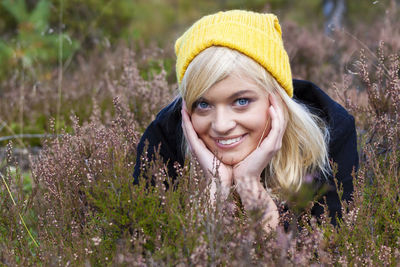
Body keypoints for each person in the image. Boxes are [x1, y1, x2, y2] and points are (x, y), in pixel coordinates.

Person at [133, 10, 358, 230]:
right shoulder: (164, 140)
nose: (221, 125)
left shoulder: (330, 136)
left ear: (276, 100)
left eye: (241, 101)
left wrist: (249, 185)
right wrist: (215, 188)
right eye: (203, 104)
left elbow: (327, 252)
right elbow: (152, 248)